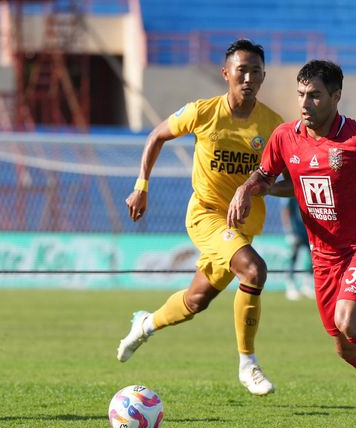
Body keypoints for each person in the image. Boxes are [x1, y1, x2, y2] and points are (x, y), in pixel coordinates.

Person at [227, 60, 356, 428]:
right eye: (301, 94)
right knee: (345, 348)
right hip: (323, 257)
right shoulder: (285, 137)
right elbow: (266, 176)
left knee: (350, 321)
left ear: (336, 96)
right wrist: (245, 189)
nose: (305, 103)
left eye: (315, 95)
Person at [116, 39, 284, 396]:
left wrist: (264, 189)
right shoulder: (202, 112)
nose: (249, 77)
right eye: (242, 70)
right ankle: (248, 363)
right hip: (206, 215)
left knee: (196, 301)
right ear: (226, 74)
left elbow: (288, 182)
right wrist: (141, 185)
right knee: (254, 270)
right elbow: (156, 135)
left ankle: (145, 324)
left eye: (256, 71)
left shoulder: (273, 126)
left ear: (264, 76)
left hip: (242, 228)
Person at [280, 196, 314, 300]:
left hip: (308, 230)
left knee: (312, 257)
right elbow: (285, 210)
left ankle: (307, 285)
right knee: (292, 257)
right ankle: (290, 286)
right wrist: (289, 230)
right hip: (295, 230)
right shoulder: (290, 191)